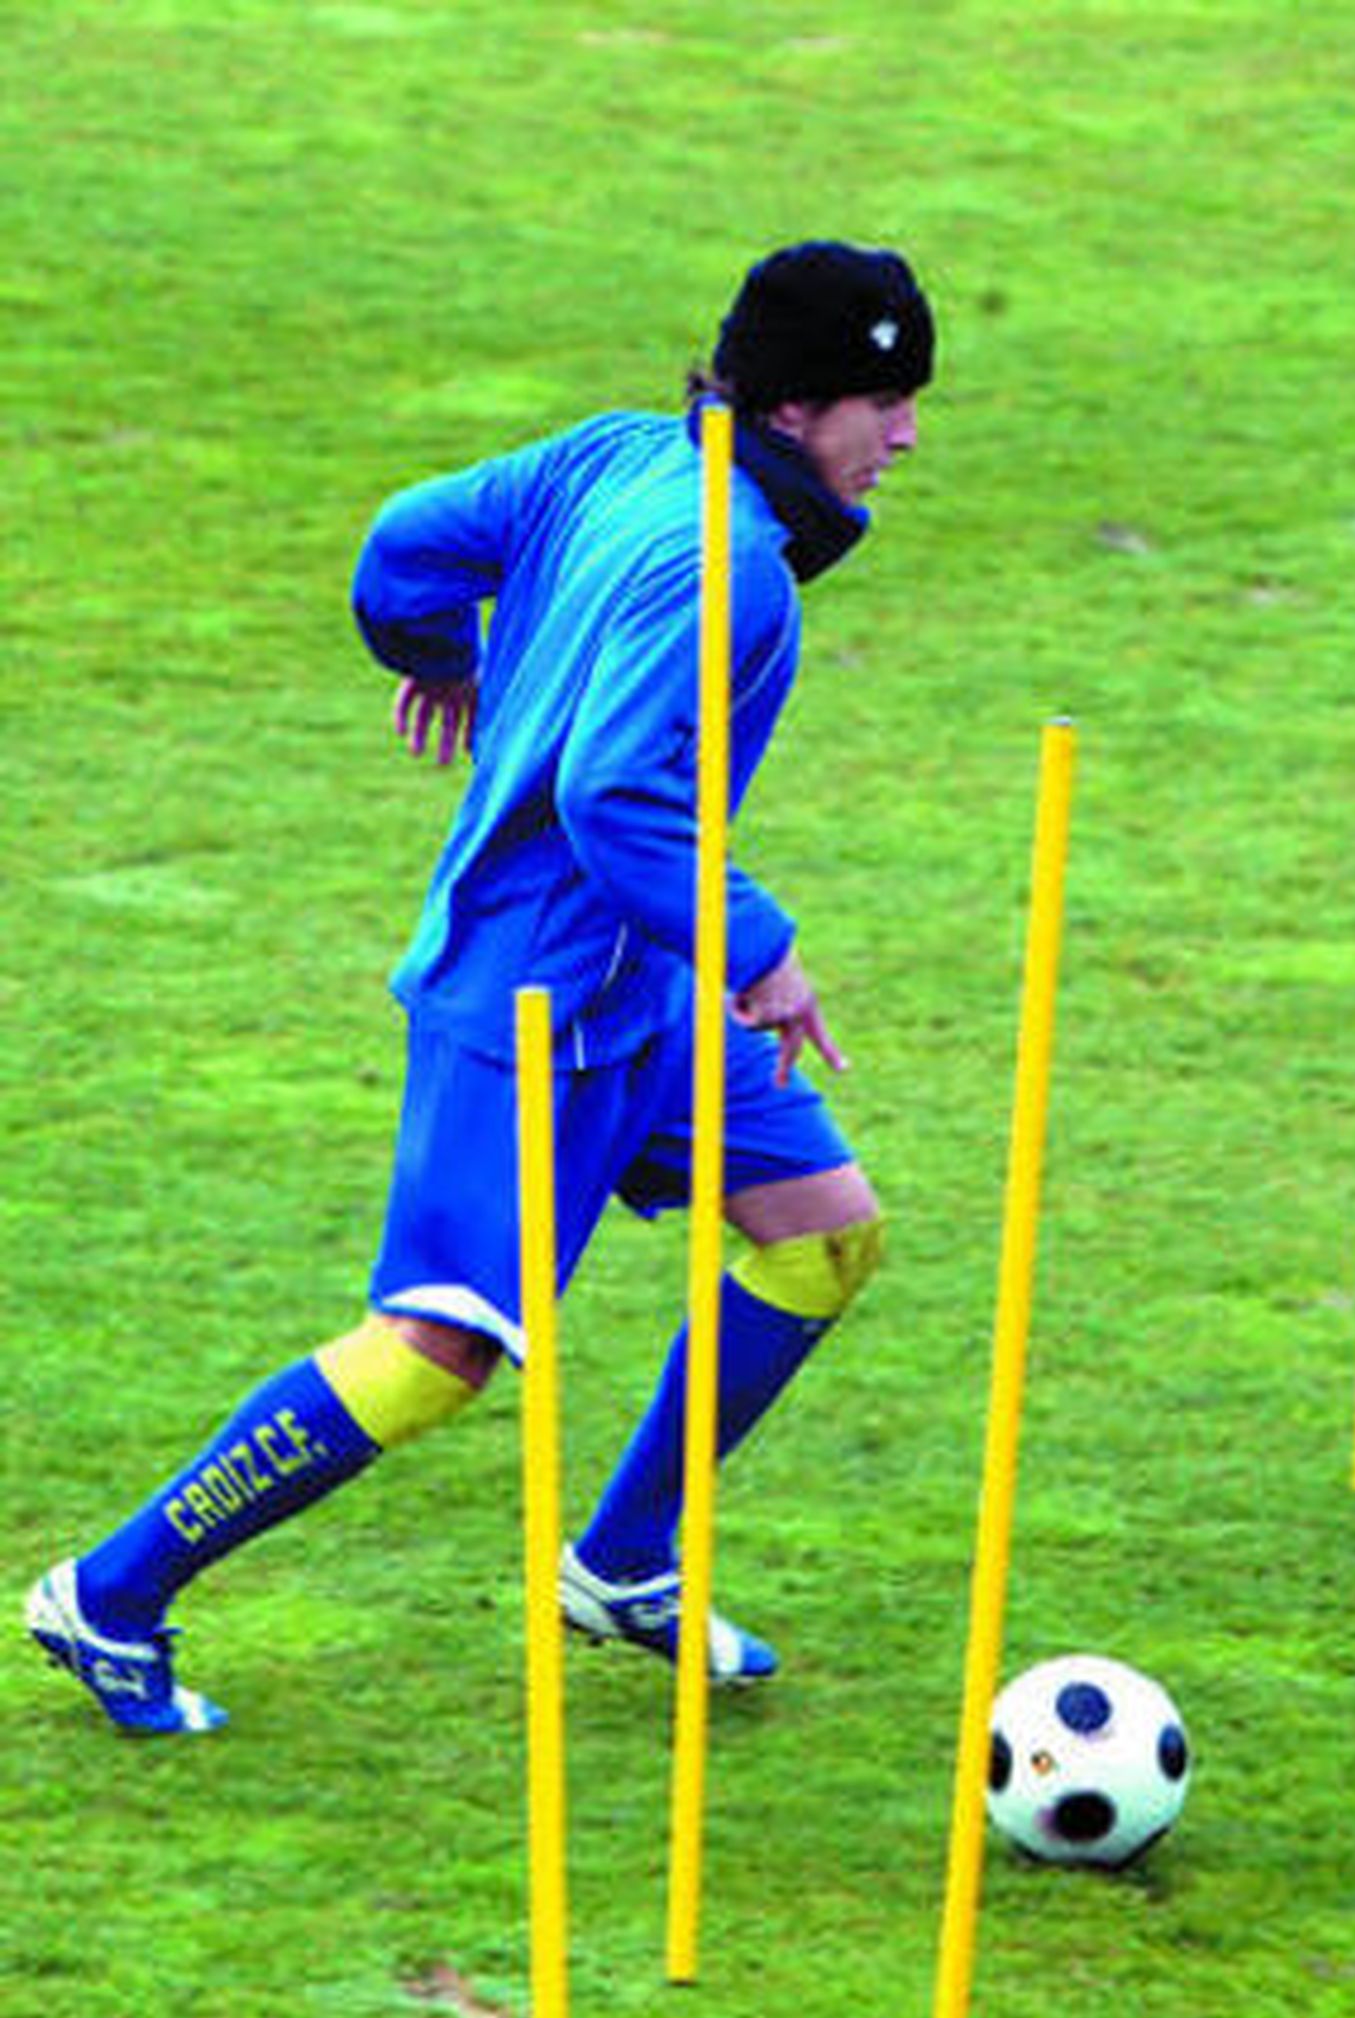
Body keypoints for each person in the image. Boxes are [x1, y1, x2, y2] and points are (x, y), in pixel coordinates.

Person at [26, 241, 935, 1734]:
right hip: (533, 1006)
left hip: (641, 992)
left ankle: (624, 1560)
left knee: (823, 1233)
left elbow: (405, 541)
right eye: (884, 404)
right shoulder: (737, 577)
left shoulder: (619, 453)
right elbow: (615, 796)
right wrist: (761, 950)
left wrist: (435, 651)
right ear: (792, 408)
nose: (902, 437)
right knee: (436, 1349)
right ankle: (110, 1595)